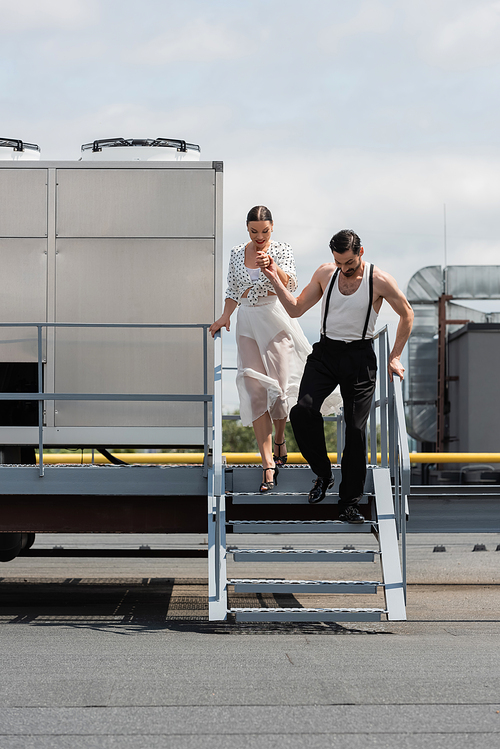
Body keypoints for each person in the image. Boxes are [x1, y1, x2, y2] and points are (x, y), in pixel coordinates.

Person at [262, 228, 414, 521]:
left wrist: (395, 355)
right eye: (339, 263)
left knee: (356, 430)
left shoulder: (378, 280)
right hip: (326, 354)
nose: (344, 270)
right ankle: (323, 473)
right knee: (302, 411)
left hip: (360, 357)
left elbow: (407, 313)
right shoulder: (326, 274)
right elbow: (295, 309)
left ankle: (348, 503)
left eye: (350, 264)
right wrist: (273, 279)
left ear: (361, 253)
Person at [209, 206, 316, 493]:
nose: (260, 237)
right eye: (254, 231)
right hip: (246, 320)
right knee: (256, 390)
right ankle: (268, 463)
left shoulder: (281, 249)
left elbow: (291, 283)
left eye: (265, 231)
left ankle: (280, 438)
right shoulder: (235, 253)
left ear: (272, 228)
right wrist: (224, 316)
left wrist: (272, 267)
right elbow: (233, 290)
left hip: (275, 317)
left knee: (280, 391)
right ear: (247, 229)